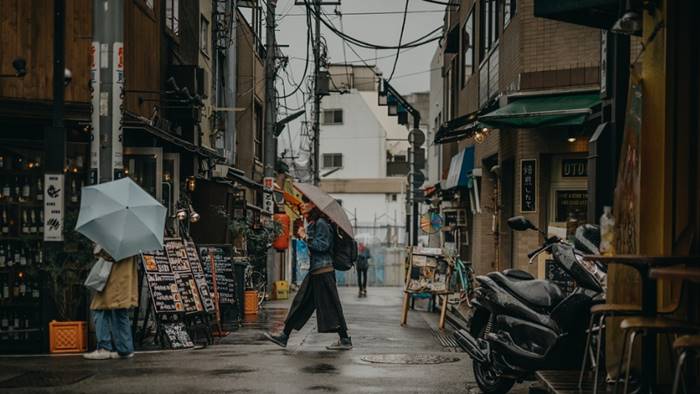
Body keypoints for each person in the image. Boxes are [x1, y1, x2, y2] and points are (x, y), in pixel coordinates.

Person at [265, 199, 352, 350]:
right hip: (316, 271)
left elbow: (322, 246)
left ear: (315, 206)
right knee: (300, 303)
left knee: (330, 305)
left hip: (323, 271)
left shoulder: (322, 224)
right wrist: (304, 234)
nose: (303, 205)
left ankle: (345, 339)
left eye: (307, 203)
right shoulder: (315, 223)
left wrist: (305, 236)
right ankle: (284, 336)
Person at [83, 245, 138, 360]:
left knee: (99, 308)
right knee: (120, 311)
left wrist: (98, 249)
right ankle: (125, 349)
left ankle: (104, 347)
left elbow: (109, 254)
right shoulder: (133, 237)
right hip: (125, 277)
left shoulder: (116, 236)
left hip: (114, 277)